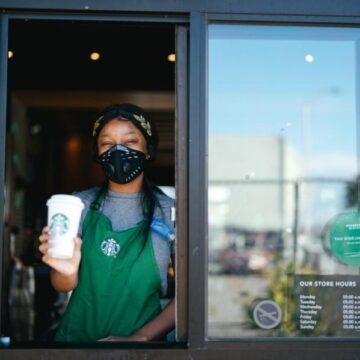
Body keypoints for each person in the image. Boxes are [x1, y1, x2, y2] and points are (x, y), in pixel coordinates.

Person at [38, 103, 176, 343]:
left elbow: (189, 295)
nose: (118, 150)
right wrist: (65, 270)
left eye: (131, 142)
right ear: (98, 154)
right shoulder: (78, 205)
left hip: (145, 350)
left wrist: (140, 338)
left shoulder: (170, 211)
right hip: (76, 345)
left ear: (149, 150)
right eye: (107, 143)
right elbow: (61, 285)